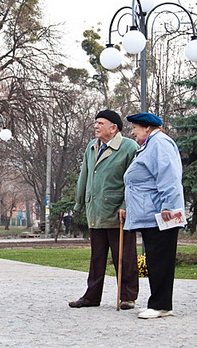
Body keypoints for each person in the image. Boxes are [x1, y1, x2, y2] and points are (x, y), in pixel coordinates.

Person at [69, 110, 139, 310]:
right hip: (96, 210)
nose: (96, 126)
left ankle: (127, 297)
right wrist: (79, 203)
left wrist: (126, 206)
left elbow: (133, 181)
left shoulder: (129, 147)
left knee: (124, 256)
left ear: (113, 127)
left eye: (100, 123)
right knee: (97, 257)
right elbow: (85, 175)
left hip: (118, 212)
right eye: (95, 123)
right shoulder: (92, 146)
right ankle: (91, 296)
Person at [122, 112, 184, 319]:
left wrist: (168, 206)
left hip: (161, 213)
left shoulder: (160, 143)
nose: (132, 132)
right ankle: (158, 302)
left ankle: (161, 305)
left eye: (135, 128)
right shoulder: (150, 145)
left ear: (147, 127)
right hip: (153, 213)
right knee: (156, 259)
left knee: (160, 259)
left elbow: (169, 177)